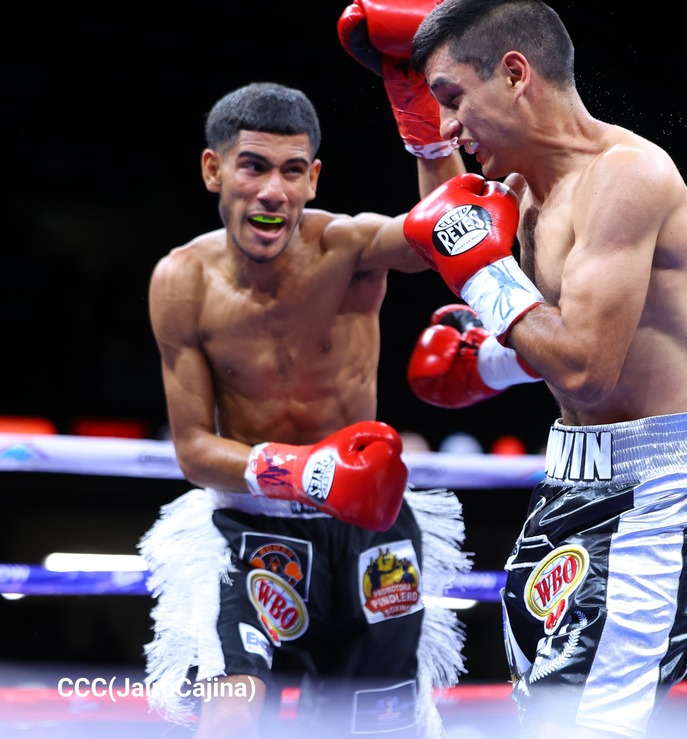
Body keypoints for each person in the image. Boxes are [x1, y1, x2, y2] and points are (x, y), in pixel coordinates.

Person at [401, 1, 687, 737]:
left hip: (657, 492)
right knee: (542, 710)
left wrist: (485, 276)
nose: (449, 126)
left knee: (585, 724)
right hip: (565, 482)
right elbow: (449, 226)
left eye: (453, 99)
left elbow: (586, 367)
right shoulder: (524, 188)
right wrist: (412, 115)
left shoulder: (627, 176)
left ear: (514, 74)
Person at [137, 5, 470, 738]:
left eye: (292, 171)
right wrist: (304, 471)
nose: (272, 192)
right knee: (228, 714)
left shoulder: (349, 249)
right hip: (246, 527)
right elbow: (194, 450)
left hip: (369, 529)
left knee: (375, 730)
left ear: (313, 178)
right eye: (253, 166)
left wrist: (423, 123)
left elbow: (452, 239)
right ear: (213, 169)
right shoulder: (181, 281)